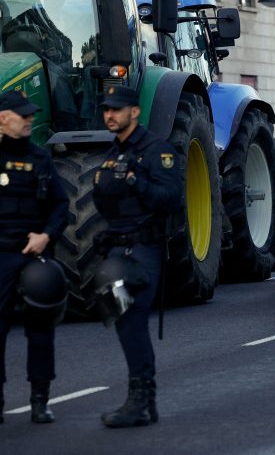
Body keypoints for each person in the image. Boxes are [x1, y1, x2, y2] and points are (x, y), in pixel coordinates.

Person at [91, 85, 183, 428]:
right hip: (116, 248)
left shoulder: (156, 151)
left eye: (117, 109)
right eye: (106, 110)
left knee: (132, 323)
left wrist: (137, 184)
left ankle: (141, 402)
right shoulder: (112, 153)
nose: (110, 115)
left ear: (135, 112)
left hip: (143, 250)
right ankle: (144, 399)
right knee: (120, 321)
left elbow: (171, 198)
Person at [0, 90, 69, 424]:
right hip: (0, 257)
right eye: (22, 114)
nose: (29, 119)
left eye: (30, 114)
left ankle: (40, 399)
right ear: (3, 118)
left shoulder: (41, 158)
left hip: (33, 256)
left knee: (40, 330)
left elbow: (60, 204)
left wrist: (46, 236)